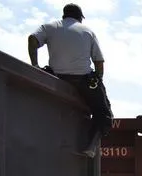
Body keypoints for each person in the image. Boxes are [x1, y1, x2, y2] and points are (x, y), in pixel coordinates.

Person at [27, 3, 113, 158]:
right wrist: (97, 80)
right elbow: (99, 62)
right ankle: (90, 146)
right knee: (104, 113)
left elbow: (32, 39)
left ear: (64, 15)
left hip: (56, 77)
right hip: (82, 79)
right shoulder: (88, 32)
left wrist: (35, 66)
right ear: (80, 17)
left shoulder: (50, 27)